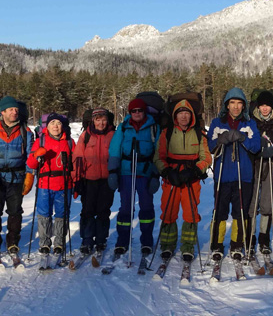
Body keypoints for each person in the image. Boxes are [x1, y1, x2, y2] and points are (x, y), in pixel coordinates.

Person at [206, 88, 262, 261]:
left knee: (240, 212)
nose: (236, 107)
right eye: (232, 103)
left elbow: (256, 146)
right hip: (223, 175)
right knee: (219, 211)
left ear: (243, 106)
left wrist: (243, 138)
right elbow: (210, 146)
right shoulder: (217, 123)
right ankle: (216, 245)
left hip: (243, 175)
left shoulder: (249, 123)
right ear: (227, 105)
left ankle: (237, 244)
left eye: (239, 103)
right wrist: (219, 140)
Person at [154, 99, 211, 264]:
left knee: (190, 213)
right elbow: (158, 156)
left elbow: (206, 157)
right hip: (171, 178)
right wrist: (166, 171)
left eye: (187, 113)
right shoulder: (167, 133)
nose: (184, 117)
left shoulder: (200, 133)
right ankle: (167, 244)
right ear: (175, 116)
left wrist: (195, 171)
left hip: (191, 179)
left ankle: (187, 246)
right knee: (169, 211)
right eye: (181, 114)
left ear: (191, 116)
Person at [108, 98, 160, 262]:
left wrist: (155, 174)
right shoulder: (123, 128)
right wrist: (112, 172)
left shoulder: (153, 128)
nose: (137, 113)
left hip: (145, 172)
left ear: (144, 112)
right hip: (126, 172)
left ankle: (146, 241)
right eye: (134, 111)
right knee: (125, 208)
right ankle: (122, 240)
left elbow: (159, 152)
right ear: (130, 113)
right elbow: (115, 150)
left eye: (140, 110)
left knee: (146, 208)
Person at [0, 96, 34, 267]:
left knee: (15, 211)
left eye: (16, 109)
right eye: (11, 109)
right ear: (2, 112)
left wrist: (30, 175)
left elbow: (30, 156)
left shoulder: (25, 132)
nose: (14, 112)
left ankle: (12, 241)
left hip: (17, 176)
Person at [27, 114, 76, 257]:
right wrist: (36, 155)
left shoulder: (70, 142)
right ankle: (44, 243)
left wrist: (76, 183)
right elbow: (30, 164)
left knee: (62, 214)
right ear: (46, 126)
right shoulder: (40, 141)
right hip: (44, 184)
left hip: (64, 185)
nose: (55, 126)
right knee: (44, 214)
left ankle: (59, 242)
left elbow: (75, 165)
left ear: (63, 126)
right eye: (52, 123)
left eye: (58, 123)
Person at [249, 90, 273, 255]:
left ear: (272, 107)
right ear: (258, 106)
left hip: (271, 165)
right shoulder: (250, 120)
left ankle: (264, 238)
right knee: (251, 203)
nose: (265, 109)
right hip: (252, 165)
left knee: (266, 203)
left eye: (268, 106)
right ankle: (249, 238)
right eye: (262, 105)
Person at [72, 107, 115, 256]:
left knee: (104, 210)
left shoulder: (113, 135)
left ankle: (101, 239)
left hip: (107, 180)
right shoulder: (86, 136)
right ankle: (87, 239)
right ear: (93, 121)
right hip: (89, 180)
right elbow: (77, 158)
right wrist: (76, 179)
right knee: (88, 211)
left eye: (104, 120)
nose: (101, 123)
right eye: (98, 119)